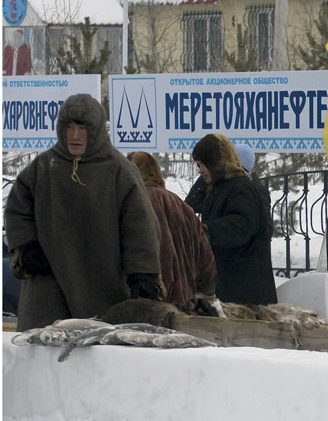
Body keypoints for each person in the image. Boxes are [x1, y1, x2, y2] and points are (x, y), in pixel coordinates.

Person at [4, 93, 162, 330]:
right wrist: (26, 247)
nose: (75, 135)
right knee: (43, 356)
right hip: (47, 289)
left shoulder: (119, 171)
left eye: (82, 127)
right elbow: (17, 210)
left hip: (101, 286)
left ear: (96, 129)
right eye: (69, 127)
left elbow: (140, 228)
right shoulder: (43, 167)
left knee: (95, 355)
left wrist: (142, 274)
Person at [190, 133, 277, 306]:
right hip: (233, 286)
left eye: (203, 165)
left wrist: (205, 231)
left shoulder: (241, 188)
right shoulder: (223, 187)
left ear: (216, 164)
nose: (200, 171)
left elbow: (240, 226)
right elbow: (191, 203)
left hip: (245, 292)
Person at [127, 151, 218, 309]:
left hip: (146, 306)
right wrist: (202, 296)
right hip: (184, 306)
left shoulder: (132, 203)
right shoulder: (182, 206)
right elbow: (206, 262)